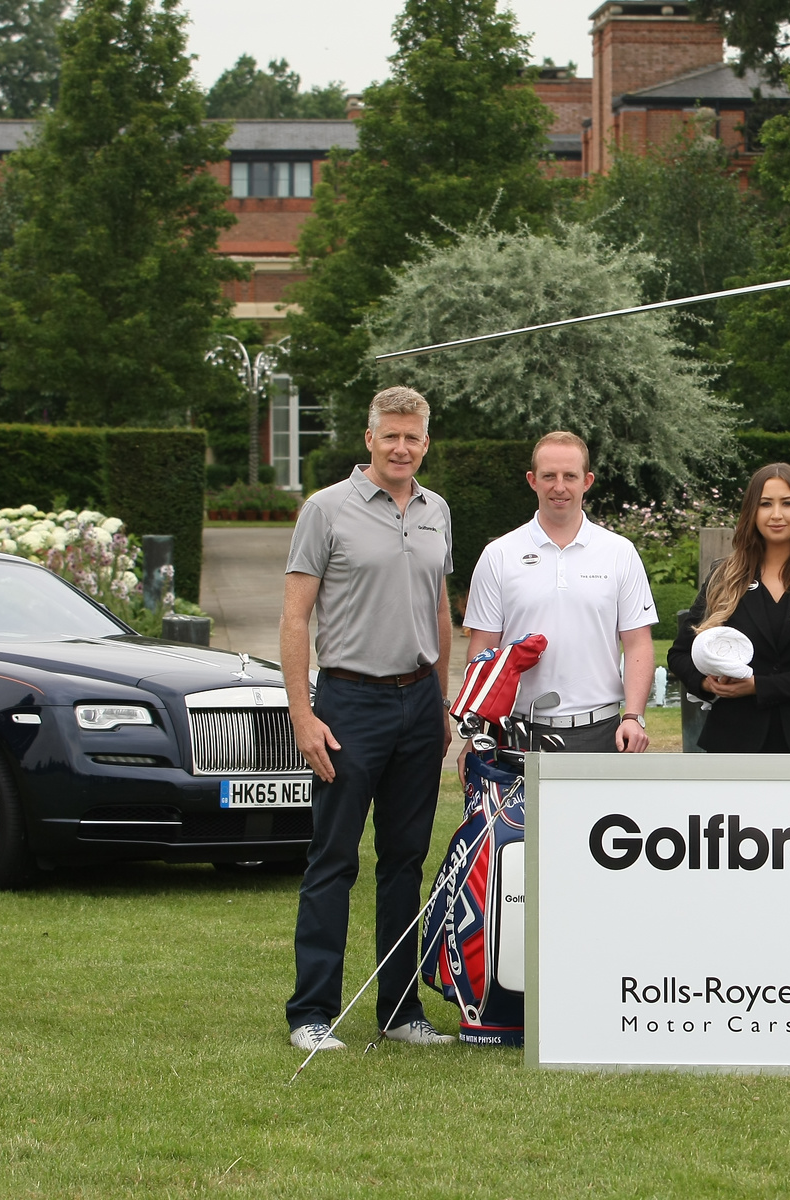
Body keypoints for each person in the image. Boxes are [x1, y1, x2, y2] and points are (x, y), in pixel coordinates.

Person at [282, 386, 455, 1053]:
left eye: (413, 438)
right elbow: (295, 616)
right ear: (369, 438)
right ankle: (311, 1014)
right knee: (333, 860)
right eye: (391, 436)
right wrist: (302, 712)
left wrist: (442, 701)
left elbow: (439, 610)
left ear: (425, 442)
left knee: (405, 862)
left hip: (418, 705)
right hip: (349, 703)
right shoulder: (326, 510)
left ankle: (399, 1010)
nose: (402, 448)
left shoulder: (436, 510)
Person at [459, 431, 655, 758]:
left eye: (570, 476)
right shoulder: (499, 554)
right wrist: (476, 732)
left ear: (587, 481)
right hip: (516, 732)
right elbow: (483, 648)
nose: (559, 486)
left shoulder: (620, 552)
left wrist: (634, 716)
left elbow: (638, 642)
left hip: (601, 733)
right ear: (532, 480)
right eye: (549, 476)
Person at [668, 464, 790, 753]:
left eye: (787, 503)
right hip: (734, 742)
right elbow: (679, 654)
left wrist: (760, 686)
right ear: (752, 512)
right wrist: (706, 683)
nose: (776, 514)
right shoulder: (724, 577)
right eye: (766, 504)